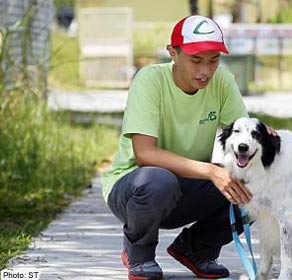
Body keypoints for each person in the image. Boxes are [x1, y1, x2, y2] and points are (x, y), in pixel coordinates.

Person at [102, 15, 255, 280]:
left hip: (187, 186)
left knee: (253, 185)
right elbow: (145, 154)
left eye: (213, 60)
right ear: (172, 52)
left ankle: (196, 250)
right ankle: (139, 254)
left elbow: (244, 137)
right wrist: (211, 171)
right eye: (196, 60)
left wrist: (265, 140)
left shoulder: (223, 82)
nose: (205, 71)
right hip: (135, 187)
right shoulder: (150, 80)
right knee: (158, 179)